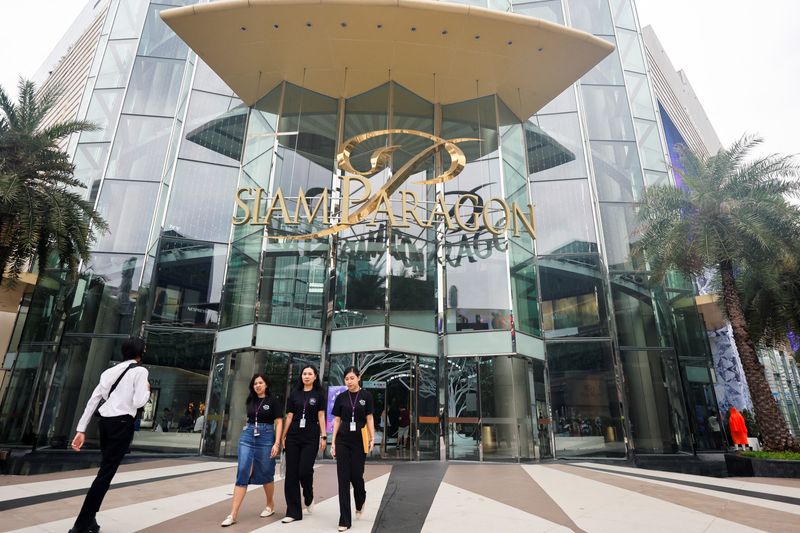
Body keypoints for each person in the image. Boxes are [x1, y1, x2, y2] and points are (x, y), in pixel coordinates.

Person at [69, 337, 151, 533]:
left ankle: (90, 521)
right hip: (122, 424)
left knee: (104, 472)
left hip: (104, 424)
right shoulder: (140, 371)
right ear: (140, 352)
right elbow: (140, 402)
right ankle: (80, 525)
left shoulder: (109, 371)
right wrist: (147, 390)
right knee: (105, 475)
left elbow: (93, 400)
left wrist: (81, 429)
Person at [221, 374, 283, 527]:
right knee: (242, 470)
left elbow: (279, 422)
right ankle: (233, 514)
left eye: (260, 382)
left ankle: (270, 504)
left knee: (266, 470)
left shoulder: (273, 401)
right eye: (255, 383)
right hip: (248, 435)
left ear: (266, 384)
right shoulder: (251, 400)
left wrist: (277, 443)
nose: (257, 385)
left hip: (267, 436)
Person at [279, 365, 327, 524]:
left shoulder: (319, 394)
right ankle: (293, 512)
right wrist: (283, 436)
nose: (306, 376)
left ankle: (309, 494)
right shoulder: (294, 394)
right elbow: (290, 416)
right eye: (304, 373)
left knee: (304, 470)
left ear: (315, 377)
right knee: (291, 473)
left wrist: (324, 436)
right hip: (293, 435)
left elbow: (321, 415)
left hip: (311, 435)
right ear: (301, 376)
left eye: (310, 374)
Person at [331, 366, 375, 532]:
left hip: (359, 440)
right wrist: (333, 442)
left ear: (358, 377)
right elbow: (336, 420)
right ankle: (344, 520)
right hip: (342, 440)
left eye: (351, 378)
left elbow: (369, 417)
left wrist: (372, 438)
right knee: (343, 480)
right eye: (346, 379)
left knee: (356, 475)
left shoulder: (366, 396)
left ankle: (360, 497)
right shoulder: (341, 397)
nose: (349, 381)